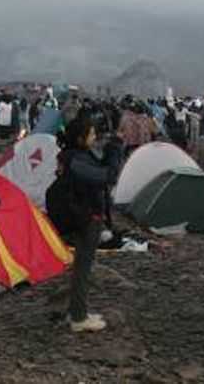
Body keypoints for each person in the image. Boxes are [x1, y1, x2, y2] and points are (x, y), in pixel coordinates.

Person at [58, 118, 122, 332]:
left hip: (87, 216)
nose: (95, 138)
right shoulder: (76, 159)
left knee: (82, 266)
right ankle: (79, 317)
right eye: (91, 134)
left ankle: (77, 311)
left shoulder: (78, 156)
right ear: (80, 138)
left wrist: (112, 149)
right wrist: (115, 149)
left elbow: (101, 171)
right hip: (87, 219)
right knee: (82, 269)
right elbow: (107, 176)